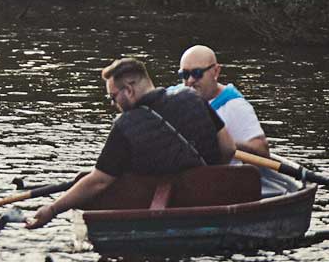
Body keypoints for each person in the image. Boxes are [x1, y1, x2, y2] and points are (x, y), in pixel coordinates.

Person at [27, 56, 235, 228]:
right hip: (211, 200)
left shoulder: (125, 126)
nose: (113, 104)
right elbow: (228, 148)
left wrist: (53, 209)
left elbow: (99, 181)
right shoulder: (192, 98)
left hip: (162, 213)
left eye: (112, 97)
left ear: (129, 89)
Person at [176, 44, 271, 158]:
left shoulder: (235, 106)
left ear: (216, 71)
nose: (190, 80)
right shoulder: (172, 96)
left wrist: (224, 143)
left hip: (221, 173)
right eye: (185, 74)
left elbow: (262, 150)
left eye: (197, 73)